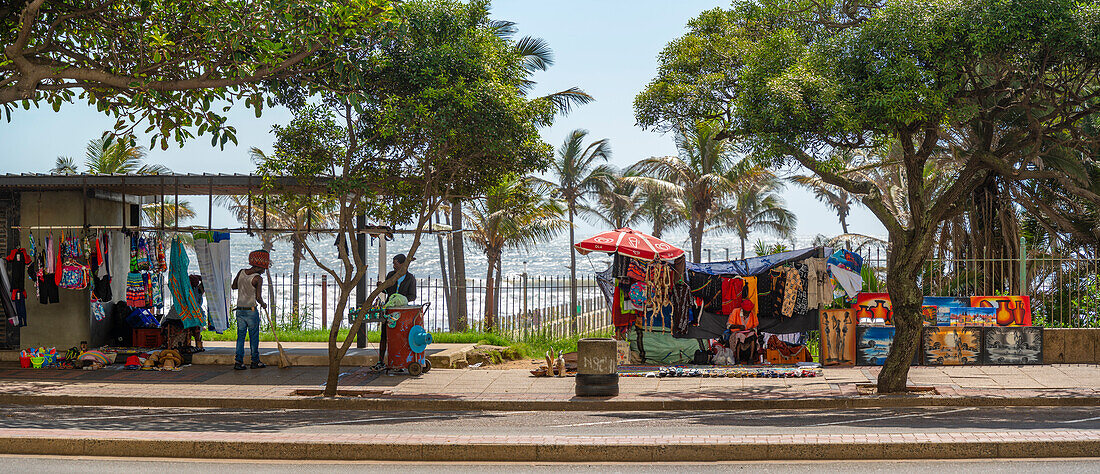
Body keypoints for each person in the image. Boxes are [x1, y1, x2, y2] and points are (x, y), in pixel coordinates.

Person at [374, 254, 416, 368]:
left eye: (396, 264)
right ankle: (381, 361)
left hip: (401, 312)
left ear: (402, 264)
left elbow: (412, 296)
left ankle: (399, 361)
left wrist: (400, 299)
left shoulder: (410, 278)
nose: (394, 266)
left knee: (399, 336)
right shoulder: (391, 275)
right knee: (384, 335)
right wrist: (382, 287)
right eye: (393, 263)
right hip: (389, 310)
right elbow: (387, 291)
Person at [231, 250, 268, 370]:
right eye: (264, 268)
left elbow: (234, 286)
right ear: (260, 267)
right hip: (251, 311)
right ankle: (255, 361)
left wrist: (243, 284)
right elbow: (258, 297)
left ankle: (238, 362)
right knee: (253, 337)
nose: (265, 271)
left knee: (240, 337)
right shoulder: (257, 278)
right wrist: (263, 304)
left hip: (240, 310)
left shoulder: (241, 272)